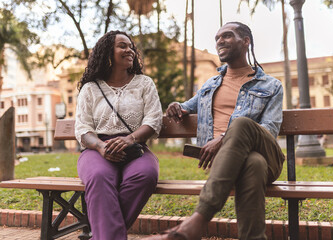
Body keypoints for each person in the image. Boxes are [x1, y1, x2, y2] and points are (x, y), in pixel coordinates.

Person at [145, 22, 285, 240]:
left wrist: (223, 138)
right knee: (252, 163)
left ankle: (197, 221)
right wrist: (176, 106)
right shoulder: (210, 84)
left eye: (227, 36)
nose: (220, 40)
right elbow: (186, 106)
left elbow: (270, 129)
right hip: (228, 162)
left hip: (269, 159)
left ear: (246, 41)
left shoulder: (270, 85)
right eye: (218, 37)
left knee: (241, 125)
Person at [75, 30, 163, 240]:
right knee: (98, 176)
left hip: (135, 147)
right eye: (122, 46)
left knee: (145, 175)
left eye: (130, 46)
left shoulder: (144, 83)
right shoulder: (90, 88)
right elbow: (82, 128)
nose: (129, 50)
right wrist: (101, 147)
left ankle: (102, 234)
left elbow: (154, 119)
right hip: (96, 149)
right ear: (107, 53)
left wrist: (130, 139)